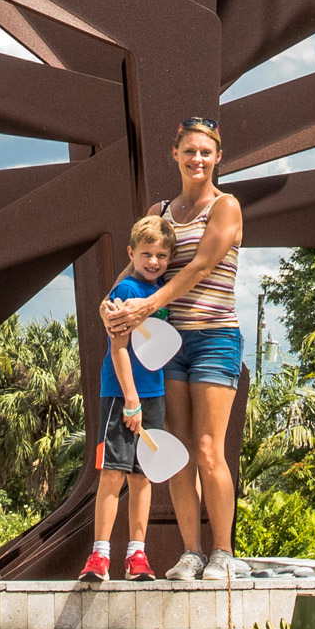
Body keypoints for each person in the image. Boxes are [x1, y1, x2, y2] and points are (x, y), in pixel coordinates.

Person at [109, 115, 247, 579]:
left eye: (206, 152)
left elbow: (202, 266)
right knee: (182, 448)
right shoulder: (161, 210)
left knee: (210, 448)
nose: (197, 159)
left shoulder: (226, 207)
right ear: (175, 155)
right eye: (189, 151)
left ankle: (223, 553)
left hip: (214, 337)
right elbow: (138, 265)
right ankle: (191, 551)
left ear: (218, 157)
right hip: (167, 347)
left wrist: (145, 307)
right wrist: (109, 306)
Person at [83, 215, 178, 583]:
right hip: (122, 396)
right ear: (131, 254)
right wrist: (131, 401)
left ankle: (137, 555)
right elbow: (119, 348)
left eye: (161, 255)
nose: (153, 262)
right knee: (113, 474)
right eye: (146, 254)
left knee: (143, 478)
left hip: (154, 393)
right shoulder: (126, 291)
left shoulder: (162, 291)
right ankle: (99, 556)